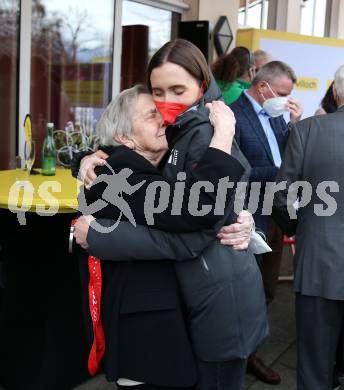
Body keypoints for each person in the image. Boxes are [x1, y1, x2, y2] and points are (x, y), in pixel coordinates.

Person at [74, 39, 268, 390]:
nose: (166, 110)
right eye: (156, 102)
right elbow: (192, 221)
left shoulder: (186, 140)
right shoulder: (118, 171)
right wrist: (90, 157)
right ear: (124, 137)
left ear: (201, 84)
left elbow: (207, 206)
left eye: (178, 90)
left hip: (209, 308)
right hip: (149, 329)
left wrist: (245, 218)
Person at [230, 60, 303, 384]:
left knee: (266, 288)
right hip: (247, 216)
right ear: (263, 87)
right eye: (283, 94)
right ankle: (238, 355)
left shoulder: (275, 116)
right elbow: (236, 171)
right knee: (244, 290)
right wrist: (280, 176)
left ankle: (253, 351)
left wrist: (294, 124)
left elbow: (284, 154)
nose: (286, 100)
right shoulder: (231, 114)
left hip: (276, 214)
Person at [272, 64, 344, 390]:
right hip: (320, 261)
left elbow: (280, 199)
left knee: (314, 370)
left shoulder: (307, 130)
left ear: (337, 91)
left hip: (318, 263)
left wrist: (303, 230)